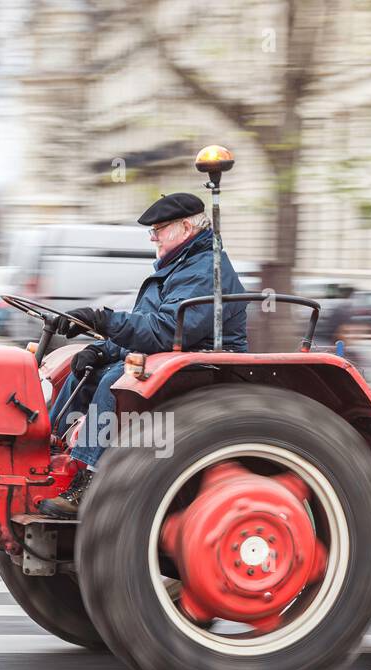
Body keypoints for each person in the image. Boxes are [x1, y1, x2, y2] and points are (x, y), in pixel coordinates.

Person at [37, 192, 248, 517]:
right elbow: (146, 332)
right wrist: (100, 348)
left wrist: (103, 320)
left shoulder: (206, 270)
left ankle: (91, 482)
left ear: (186, 227)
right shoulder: (178, 265)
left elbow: (165, 331)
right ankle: (42, 454)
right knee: (83, 368)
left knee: (115, 379)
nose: (153, 236)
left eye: (159, 228)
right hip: (174, 352)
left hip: (203, 363)